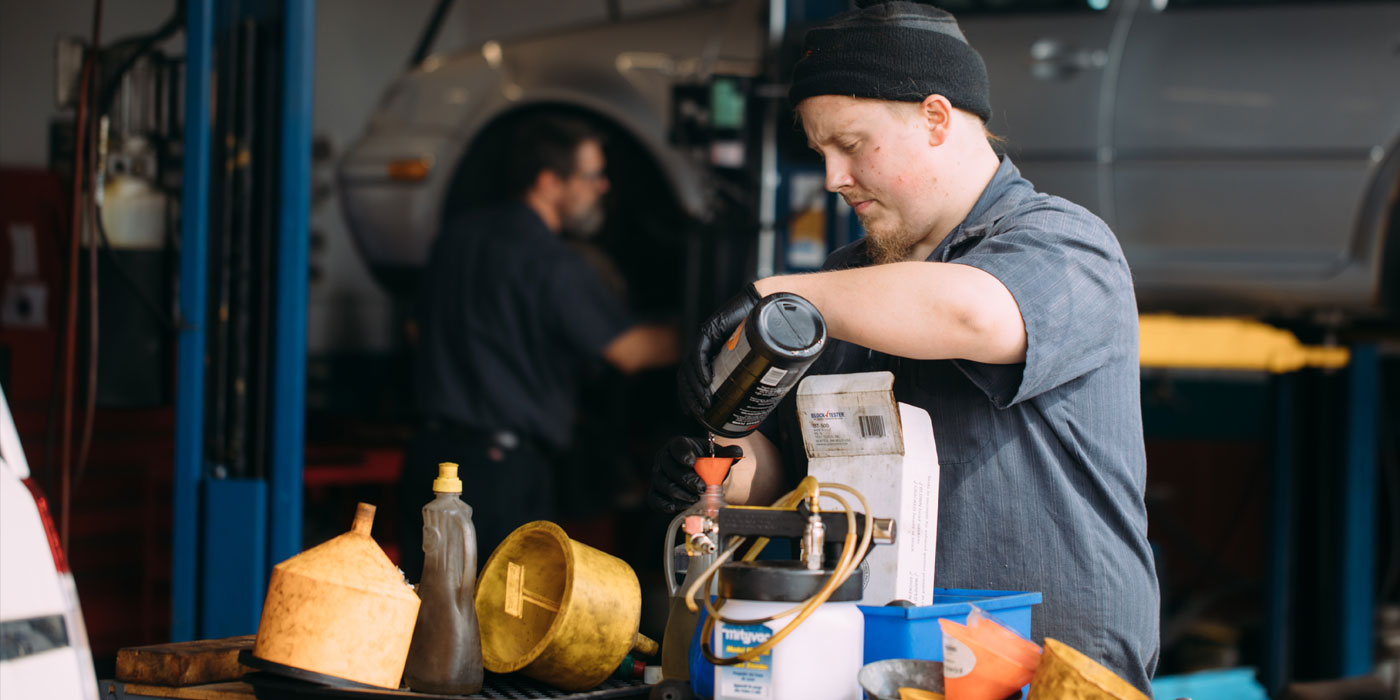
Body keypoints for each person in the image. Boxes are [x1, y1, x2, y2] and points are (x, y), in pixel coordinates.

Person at [647, 1, 1160, 693]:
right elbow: (798, 478)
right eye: (821, 153)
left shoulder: (1066, 243)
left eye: (851, 145)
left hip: (1049, 674)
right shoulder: (842, 285)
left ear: (937, 118)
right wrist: (723, 472)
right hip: (878, 665)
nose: (833, 178)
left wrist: (777, 295)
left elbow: (977, 316)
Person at [402, 115, 679, 580]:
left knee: (426, 608)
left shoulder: (457, 236)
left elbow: (414, 330)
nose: (603, 187)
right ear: (550, 181)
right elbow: (628, 351)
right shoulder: (551, 261)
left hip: (429, 458)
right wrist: (713, 331)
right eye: (592, 176)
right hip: (499, 472)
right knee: (498, 621)